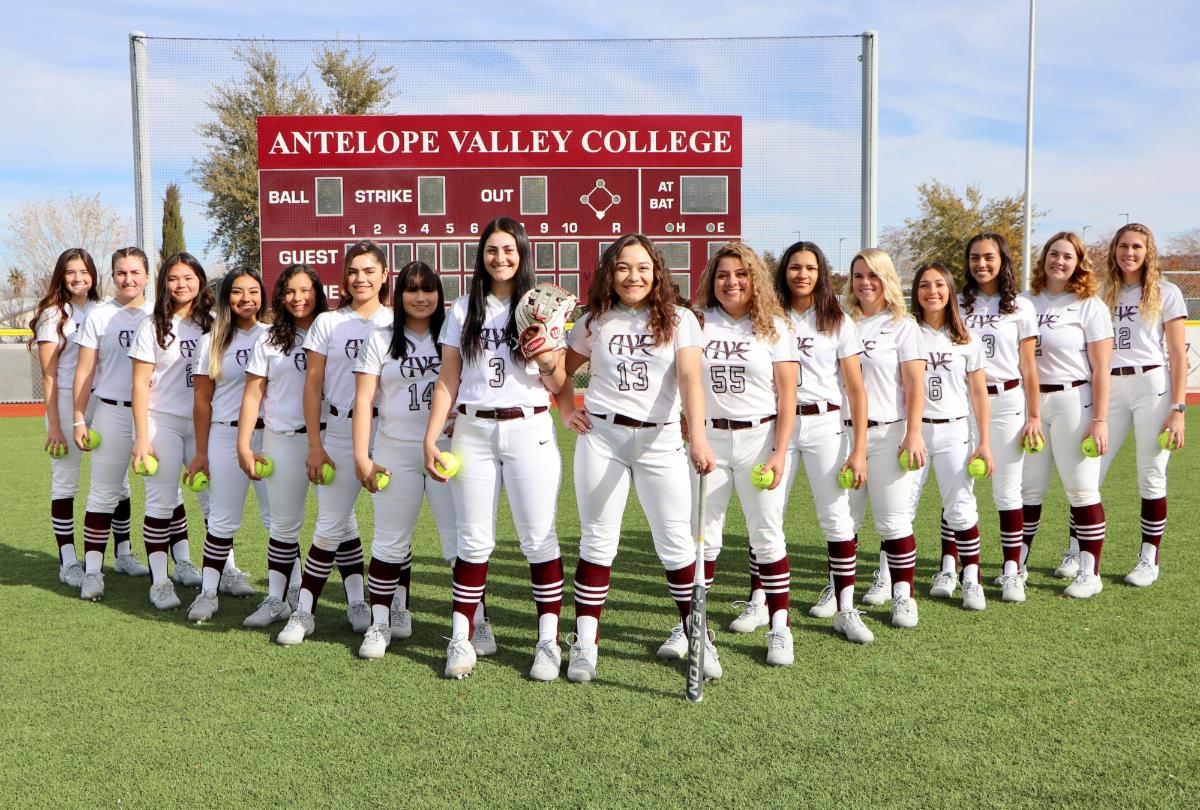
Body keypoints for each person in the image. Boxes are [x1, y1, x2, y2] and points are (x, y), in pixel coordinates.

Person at [558, 232, 716, 682]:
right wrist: (567, 409)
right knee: (597, 541)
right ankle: (586, 642)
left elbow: (690, 378)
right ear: (610, 273)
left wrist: (698, 437)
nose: (633, 276)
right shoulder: (594, 320)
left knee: (675, 542)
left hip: (660, 440)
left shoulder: (681, 319)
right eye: (624, 267)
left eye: (643, 267)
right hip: (602, 438)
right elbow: (561, 371)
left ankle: (698, 637)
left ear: (656, 272)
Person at [423, 217, 569, 682]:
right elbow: (448, 378)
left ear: (521, 254)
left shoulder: (539, 305)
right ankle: (461, 638)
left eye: (509, 249)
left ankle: (548, 642)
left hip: (529, 426)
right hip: (473, 429)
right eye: (491, 250)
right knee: (472, 540)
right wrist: (431, 436)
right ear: (481, 256)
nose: (500, 258)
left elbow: (558, 382)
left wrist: (546, 356)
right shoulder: (464, 308)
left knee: (538, 538)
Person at [277, 241, 390, 645]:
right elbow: (312, 386)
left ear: (384, 275)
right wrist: (315, 444)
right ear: (344, 277)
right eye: (353, 271)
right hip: (340, 431)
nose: (361, 278)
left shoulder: (395, 321)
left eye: (369, 270)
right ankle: (304, 613)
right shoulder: (327, 322)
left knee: (393, 529)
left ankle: (393, 610)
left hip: (388, 432)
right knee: (329, 527)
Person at [689, 243, 798, 665]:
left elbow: (787, 396)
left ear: (755, 279)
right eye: (722, 275)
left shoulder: (774, 326)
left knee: (767, 536)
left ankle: (780, 627)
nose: (731, 282)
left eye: (740, 274)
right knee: (703, 537)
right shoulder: (697, 322)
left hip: (759, 439)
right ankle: (695, 626)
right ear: (711, 280)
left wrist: (780, 452)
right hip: (709, 440)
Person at [353, 260, 457, 659]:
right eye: (411, 289)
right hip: (394, 450)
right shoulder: (380, 338)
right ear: (399, 295)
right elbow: (364, 400)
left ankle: (475, 622)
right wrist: (362, 456)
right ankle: (380, 623)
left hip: (446, 449)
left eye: (428, 289)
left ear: (439, 294)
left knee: (459, 542)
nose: (420, 297)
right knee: (390, 541)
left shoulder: (452, 335)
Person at [774, 240, 872, 643]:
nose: (802, 274)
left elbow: (856, 389)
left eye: (810, 268)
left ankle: (846, 608)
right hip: (776, 426)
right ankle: (761, 601)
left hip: (823, 423)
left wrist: (859, 449)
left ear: (822, 273)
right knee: (768, 514)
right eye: (795, 267)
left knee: (836, 516)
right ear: (784, 272)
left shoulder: (837, 319)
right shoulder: (769, 315)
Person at [1020, 232, 1113, 598]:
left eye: (1067, 256)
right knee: (1028, 489)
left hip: (1073, 399)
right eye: (1054, 254)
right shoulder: (1025, 301)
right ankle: (1017, 566)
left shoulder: (1090, 304)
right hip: (1030, 405)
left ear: (1078, 263)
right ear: (1044, 257)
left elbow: (1102, 368)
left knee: (1081, 488)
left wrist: (1100, 420)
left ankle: (1090, 572)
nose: (1059, 261)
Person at [237, 264, 328, 629]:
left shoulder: (333, 330)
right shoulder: (269, 339)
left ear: (317, 292)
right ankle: (277, 600)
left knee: (340, 524)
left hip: (329, 437)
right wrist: (244, 444)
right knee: (284, 526)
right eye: (290, 291)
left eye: (305, 290)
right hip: (284, 438)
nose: (297, 298)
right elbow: (252, 394)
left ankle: (358, 602)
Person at [1095, 223, 1186, 587]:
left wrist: (1178, 409)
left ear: (1148, 252)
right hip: (1109, 386)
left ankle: (1149, 558)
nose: (1129, 253)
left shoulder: (1167, 291)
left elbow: (1177, 354)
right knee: (1089, 470)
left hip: (1152, 386)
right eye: (1123, 246)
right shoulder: (1100, 291)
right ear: (1113, 250)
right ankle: (1078, 552)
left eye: (1136, 247)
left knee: (1151, 473)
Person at [842, 248, 927, 628]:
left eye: (873, 275)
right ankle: (840, 592)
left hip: (887, 433)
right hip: (843, 434)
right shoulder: (841, 322)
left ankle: (903, 596)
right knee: (843, 522)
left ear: (887, 279)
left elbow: (914, 384)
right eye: (859, 275)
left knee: (893, 521)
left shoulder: (903, 325)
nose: (865, 282)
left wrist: (914, 433)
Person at [184, 267, 271, 621]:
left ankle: (291, 591)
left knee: (278, 520)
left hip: (270, 436)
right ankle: (208, 592)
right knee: (221, 519)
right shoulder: (211, 341)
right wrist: (201, 451)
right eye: (237, 291)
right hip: (224, 434)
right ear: (225, 297)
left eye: (253, 291)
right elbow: (202, 401)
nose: (246, 298)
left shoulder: (275, 336)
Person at [129, 252, 215, 610]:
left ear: (200, 281)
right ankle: (160, 581)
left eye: (188, 278)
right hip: (162, 420)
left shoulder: (214, 323)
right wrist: (142, 437)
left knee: (214, 502)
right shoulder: (151, 325)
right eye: (174, 278)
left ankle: (225, 570)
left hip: (204, 424)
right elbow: (140, 383)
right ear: (164, 282)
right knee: (162, 501)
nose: (181, 285)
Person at [959, 233, 1042, 602]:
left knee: (1007, 489)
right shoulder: (957, 302)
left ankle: (1012, 571)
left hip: (1007, 400)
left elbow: (1029, 367)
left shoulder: (1021, 307)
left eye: (989, 257)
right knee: (960, 487)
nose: (981, 264)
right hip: (962, 402)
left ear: (1002, 260)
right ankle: (956, 568)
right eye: (975, 257)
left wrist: (1034, 415)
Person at [907, 263, 993, 610]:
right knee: (901, 509)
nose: (932, 291)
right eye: (924, 285)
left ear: (950, 291)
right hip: (913, 432)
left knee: (960, 508)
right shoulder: (906, 331)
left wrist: (984, 442)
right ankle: (889, 579)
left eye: (939, 285)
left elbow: (979, 393)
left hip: (954, 429)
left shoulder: (966, 336)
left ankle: (971, 578)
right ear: (915, 292)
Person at [71, 247, 153, 600]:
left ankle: (175, 564)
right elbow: (84, 371)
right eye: (121, 272)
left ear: (147, 275)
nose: (128, 279)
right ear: (113, 275)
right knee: (103, 493)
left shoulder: (159, 313)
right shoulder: (99, 314)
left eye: (135, 272)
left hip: (154, 414)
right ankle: (93, 572)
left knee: (167, 494)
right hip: (112, 411)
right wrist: (78, 418)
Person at [30, 248, 100, 587]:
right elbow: (49, 375)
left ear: (93, 275)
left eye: (84, 271)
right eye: (71, 272)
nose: (78, 278)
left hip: (100, 400)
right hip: (64, 400)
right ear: (61, 275)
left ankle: (124, 553)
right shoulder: (52, 314)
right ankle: (68, 560)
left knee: (114, 483)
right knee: (66, 482)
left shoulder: (101, 310)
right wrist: (55, 426)